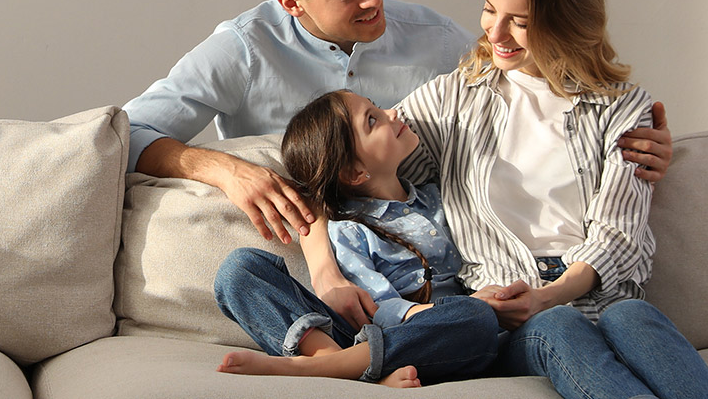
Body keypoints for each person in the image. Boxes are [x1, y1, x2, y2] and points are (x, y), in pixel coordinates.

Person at [119, 0, 676, 255]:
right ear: (291, 2)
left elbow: (538, 84)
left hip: (437, 254)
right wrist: (224, 170)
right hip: (310, 248)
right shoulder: (241, 49)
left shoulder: (435, 38)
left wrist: (629, 141)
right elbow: (126, 133)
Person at [330, 0, 708, 398]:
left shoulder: (624, 108)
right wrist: (321, 266)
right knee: (558, 328)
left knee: (632, 315)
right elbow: (336, 164)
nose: (494, 34)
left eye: (520, 20)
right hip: (511, 315)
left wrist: (551, 294)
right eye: (490, 9)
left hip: (596, 293)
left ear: (566, 20)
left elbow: (619, 233)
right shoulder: (453, 99)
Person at [214, 90, 502, 387]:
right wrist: (437, 311)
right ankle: (334, 361)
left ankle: (338, 369)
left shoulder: (440, 198)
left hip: (437, 343)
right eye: (373, 120)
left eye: (377, 108)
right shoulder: (350, 229)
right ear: (355, 172)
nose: (393, 113)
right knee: (240, 269)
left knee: (476, 319)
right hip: (373, 335)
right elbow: (377, 310)